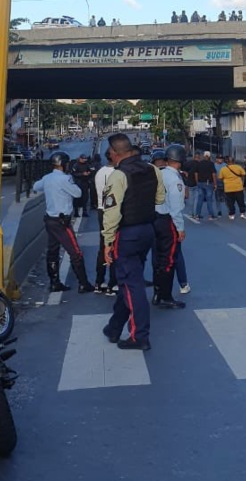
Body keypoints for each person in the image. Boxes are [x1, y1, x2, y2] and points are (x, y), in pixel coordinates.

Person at [101, 133, 166, 351]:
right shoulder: (152, 169)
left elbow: (111, 213)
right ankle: (114, 327)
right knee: (128, 281)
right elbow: (160, 199)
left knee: (132, 284)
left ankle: (139, 336)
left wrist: (107, 242)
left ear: (113, 152)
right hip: (148, 230)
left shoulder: (118, 176)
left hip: (126, 234)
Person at [32, 151, 95, 294]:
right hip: (62, 221)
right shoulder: (65, 179)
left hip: (50, 219)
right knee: (75, 252)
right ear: (63, 164)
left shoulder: (47, 178)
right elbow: (78, 193)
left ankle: (54, 283)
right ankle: (83, 283)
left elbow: (36, 186)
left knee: (52, 252)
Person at [151, 146, 187, 309]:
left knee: (158, 260)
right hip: (168, 221)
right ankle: (165, 296)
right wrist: (180, 228)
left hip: (154, 219)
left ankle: (158, 293)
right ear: (179, 161)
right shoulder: (175, 179)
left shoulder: (160, 173)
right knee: (169, 260)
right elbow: (176, 207)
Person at [94, 151, 118, 295]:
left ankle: (99, 282)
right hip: (113, 211)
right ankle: (113, 283)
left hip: (101, 210)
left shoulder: (99, 172)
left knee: (103, 246)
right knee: (114, 247)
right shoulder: (117, 173)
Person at [195, 151, 217, 220]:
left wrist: (197, 182)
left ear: (204, 156)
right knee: (209, 199)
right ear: (209, 156)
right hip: (208, 183)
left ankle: (197, 215)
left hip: (200, 183)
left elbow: (196, 173)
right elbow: (213, 174)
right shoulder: (211, 164)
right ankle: (210, 215)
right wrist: (215, 183)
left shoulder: (199, 163)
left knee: (200, 199)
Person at [184, 152, 200, 219]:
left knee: (191, 199)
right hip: (196, 183)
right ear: (199, 158)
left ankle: (191, 213)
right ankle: (195, 213)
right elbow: (197, 174)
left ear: (194, 157)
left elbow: (183, 170)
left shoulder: (189, 163)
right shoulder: (199, 164)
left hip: (189, 183)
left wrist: (186, 174)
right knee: (196, 199)